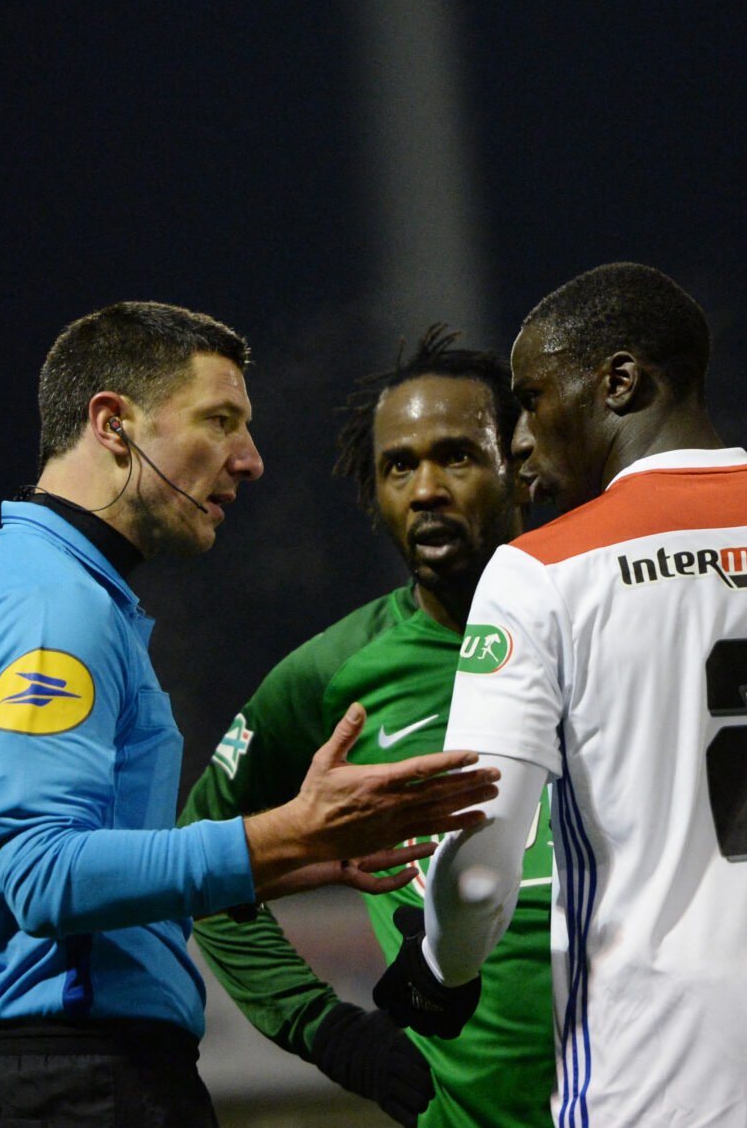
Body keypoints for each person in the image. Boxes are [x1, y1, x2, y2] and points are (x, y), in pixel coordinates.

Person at [373, 264, 747, 1127]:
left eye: (535, 399)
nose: (518, 441)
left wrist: (441, 970)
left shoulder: (541, 571)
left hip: (660, 1074)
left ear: (621, 381)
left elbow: (480, 868)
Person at [0, 301, 501, 1128]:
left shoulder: (65, 594)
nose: (249, 460)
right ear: (114, 423)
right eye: (220, 421)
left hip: (81, 1076)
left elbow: (91, 884)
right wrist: (287, 831)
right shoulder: (51, 606)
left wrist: (297, 858)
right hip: (72, 1087)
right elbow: (46, 875)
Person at [180, 326, 555, 1128]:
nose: (424, 488)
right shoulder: (334, 673)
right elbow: (200, 862)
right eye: (398, 466)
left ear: (521, 465)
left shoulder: (610, 625)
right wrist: (330, 1029)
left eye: (456, 455)